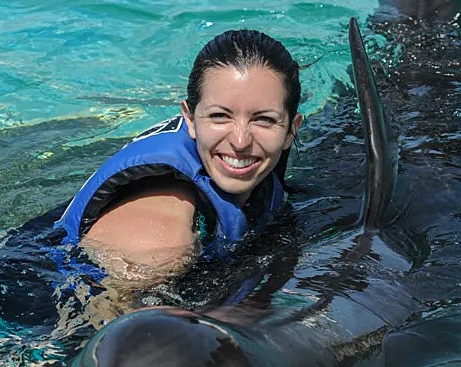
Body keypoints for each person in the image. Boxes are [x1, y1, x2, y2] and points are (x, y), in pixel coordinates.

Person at [56, 29, 303, 284]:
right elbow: (101, 309)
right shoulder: (160, 238)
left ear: (291, 130)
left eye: (264, 120)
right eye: (219, 116)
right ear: (190, 119)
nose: (240, 142)